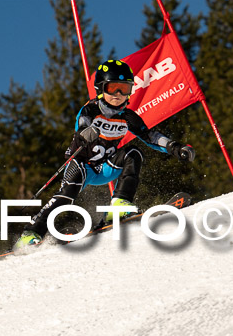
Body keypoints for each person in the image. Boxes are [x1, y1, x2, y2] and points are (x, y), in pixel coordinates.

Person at [14, 59, 195, 249]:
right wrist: (86, 133)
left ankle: (118, 205)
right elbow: (82, 125)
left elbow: (150, 135)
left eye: (124, 89)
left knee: (133, 153)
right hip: (81, 165)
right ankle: (31, 232)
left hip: (106, 167)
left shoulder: (127, 116)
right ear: (101, 89)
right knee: (66, 196)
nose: (118, 94)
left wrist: (174, 147)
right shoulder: (91, 109)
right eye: (113, 88)